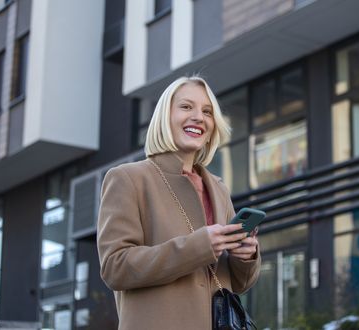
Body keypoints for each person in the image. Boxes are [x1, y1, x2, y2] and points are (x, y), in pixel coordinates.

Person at [97, 76, 261, 330]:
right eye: (186, 107)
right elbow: (115, 267)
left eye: (207, 112)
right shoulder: (128, 178)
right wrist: (199, 245)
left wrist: (245, 256)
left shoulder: (218, 188)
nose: (198, 117)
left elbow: (237, 283)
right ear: (165, 117)